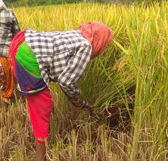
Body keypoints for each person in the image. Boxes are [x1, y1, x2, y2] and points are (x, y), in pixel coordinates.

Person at [8, 22, 113, 160]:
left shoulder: (77, 34)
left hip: (21, 41)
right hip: (29, 55)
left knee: (36, 101)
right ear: (100, 40)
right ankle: (40, 157)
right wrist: (76, 99)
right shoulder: (86, 47)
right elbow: (66, 81)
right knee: (42, 106)